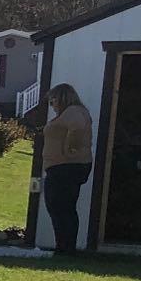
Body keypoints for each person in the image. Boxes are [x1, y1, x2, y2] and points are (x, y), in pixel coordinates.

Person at [40, 83, 94, 253]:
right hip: (66, 167)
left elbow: (77, 128)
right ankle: (65, 247)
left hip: (65, 167)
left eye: (53, 100)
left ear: (63, 98)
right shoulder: (73, 112)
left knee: (58, 206)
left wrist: (69, 148)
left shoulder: (74, 111)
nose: (52, 104)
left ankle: (64, 248)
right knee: (65, 208)